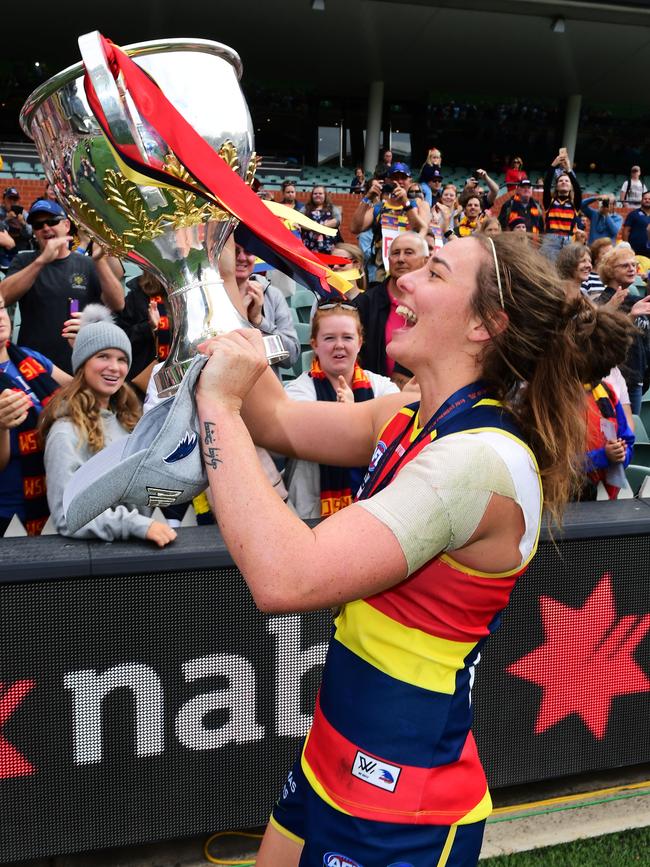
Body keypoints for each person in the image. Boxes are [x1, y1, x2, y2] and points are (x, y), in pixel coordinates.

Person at [193, 232, 634, 867]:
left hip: (402, 806)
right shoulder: (409, 414)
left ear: (485, 324)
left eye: (434, 271)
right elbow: (275, 420)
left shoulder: (477, 459)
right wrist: (206, 268)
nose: (402, 281)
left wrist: (215, 400)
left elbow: (286, 576)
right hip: (333, 751)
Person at [40, 305, 176, 546]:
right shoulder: (65, 432)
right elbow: (67, 515)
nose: (114, 367)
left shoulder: (129, 421)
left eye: (122, 359)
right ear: (82, 364)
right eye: (103, 356)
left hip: (136, 558)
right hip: (94, 568)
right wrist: (136, 525)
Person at [283, 302, 399, 518]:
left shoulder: (383, 387)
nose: (339, 345)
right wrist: (353, 417)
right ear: (314, 344)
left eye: (347, 337)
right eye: (329, 338)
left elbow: (395, 437)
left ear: (360, 342)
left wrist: (353, 412)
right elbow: (313, 436)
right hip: (312, 512)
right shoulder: (297, 392)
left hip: (375, 510)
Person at [0, 200, 125, 373]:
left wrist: (99, 261)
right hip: (35, 367)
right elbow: (3, 297)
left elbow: (118, 304)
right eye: (38, 225)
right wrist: (41, 261)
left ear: (66, 225)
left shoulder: (87, 264)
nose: (45, 228)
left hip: (79, 364)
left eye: (52, 222)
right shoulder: (25, 261)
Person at [0, 295, 72, 536]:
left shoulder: (29, 357)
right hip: (9, 516)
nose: (1, 317)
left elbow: (80, 393)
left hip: (53, 499)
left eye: (1, 308)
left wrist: (84, 349)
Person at [353, 231, 429, 377]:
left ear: (426, 261)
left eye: (408, 252)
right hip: (375, 394)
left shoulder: (437, 303)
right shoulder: (365, 304)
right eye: (395, 253)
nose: (400, 259)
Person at [350, 163, 428, 281]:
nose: (399, 181)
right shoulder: (378, 208)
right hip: (381, 271)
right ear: (387, 180)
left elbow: (420, 230)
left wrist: (405, 203)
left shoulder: (421, 205)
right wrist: (367, 197)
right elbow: (354, 228)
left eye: (403, 178)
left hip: (410, 269)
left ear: (410, 181)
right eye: (395, 178)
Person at [596, 245, 650, 414]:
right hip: (613, 380)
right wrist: (631, 317)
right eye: (625, 265)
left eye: (634, 265)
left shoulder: (637, 300)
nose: (632, 268)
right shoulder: (602, 303)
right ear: (611, 271)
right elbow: (603, 337)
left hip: (637, 379)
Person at [234, 242, 300, 374]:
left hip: (267, 388)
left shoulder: (272, 295)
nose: (241, 257)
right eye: (235, 251)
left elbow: (292, 357)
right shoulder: (210, 295)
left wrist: (259, 321)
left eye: (248, 251)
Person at [115, 270, 170, 387]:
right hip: (143, 380)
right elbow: (119, 339)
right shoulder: (136, 297)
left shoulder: (184, 296)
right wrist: (148, 326)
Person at [542, 150, 583, 262]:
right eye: (560, 181)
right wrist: (553, 166)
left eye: (567, 181)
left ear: (571, 187)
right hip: (550, 241)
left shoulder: (575, 204)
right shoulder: (549, 202)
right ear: (556, 186)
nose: (564, 182)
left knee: (565, 273)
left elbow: (578, 190)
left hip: (568, 242)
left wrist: (569, 170)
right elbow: (546, 186)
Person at [301, 186, 341, 254]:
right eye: (315, 193)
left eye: (320, 193)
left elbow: (337, 220)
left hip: (328, 245)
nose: (317, 195)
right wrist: (314, 227)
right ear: (312, 195)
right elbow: (299, 220)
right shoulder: (305, 208)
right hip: (309, 245)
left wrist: (321, 227)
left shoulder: (332, 208)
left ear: (325, 195)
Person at [622, 190, 650, 256]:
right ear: (641, 200)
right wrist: (626, 247)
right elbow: (625, 231)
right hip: (635, 252)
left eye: (649, 199)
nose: (647, 201)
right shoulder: (633, 214)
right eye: (645, 199)